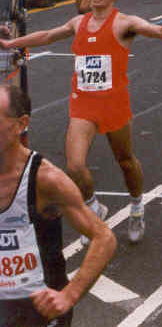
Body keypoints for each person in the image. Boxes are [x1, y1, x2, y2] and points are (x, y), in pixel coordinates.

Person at [0, 0, 162, 247]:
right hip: (83, 104)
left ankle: (137, 207)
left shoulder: (124, 23)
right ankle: (93, 207)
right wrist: (10, 43)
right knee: (75, 166)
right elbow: (48, 35)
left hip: (113, 104)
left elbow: (153, 29)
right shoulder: (79, 22)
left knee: (126, 161)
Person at [0, 83, 116, 327]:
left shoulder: (46, 179)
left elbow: (103, 238)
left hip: (38, 316)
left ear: (21, 124)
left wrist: (69, 296)